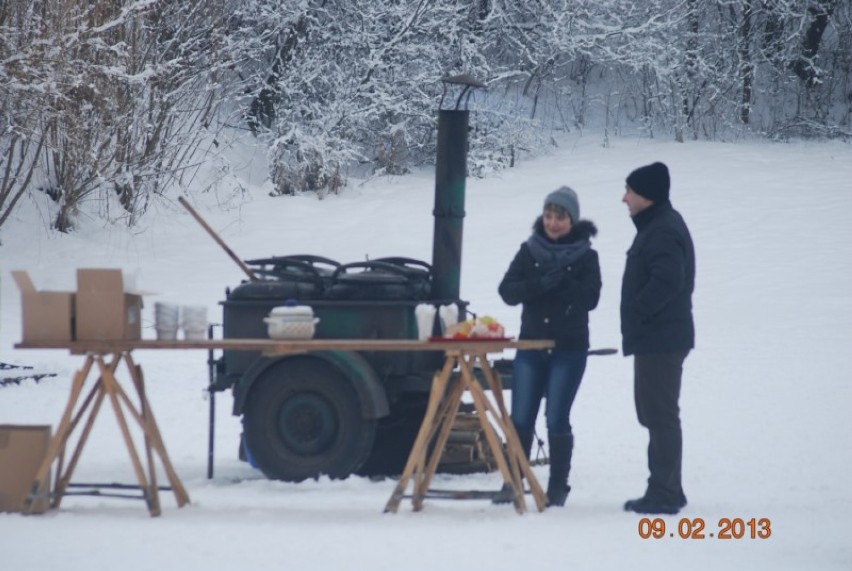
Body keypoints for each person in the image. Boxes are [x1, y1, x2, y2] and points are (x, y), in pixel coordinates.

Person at [495, 186, 602, 507]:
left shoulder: (586, 256)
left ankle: (557, 486)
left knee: (556, 416)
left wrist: (567, 284)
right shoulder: (529, 251)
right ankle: (513, 480)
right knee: (521, 417)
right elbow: (507, 290)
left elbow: (591, 298)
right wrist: (538, 285)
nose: (553, 223)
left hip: (568, 349)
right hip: (530, 347)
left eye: (560, 217)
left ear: (572, 220)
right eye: (548, 216)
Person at [620, 161, 695, 515]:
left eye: (630, 192)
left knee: (660, 414)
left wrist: (637, 310)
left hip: (661, 338)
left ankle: (664, 492)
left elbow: (668, 280)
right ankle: (668, 488)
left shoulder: (662, 229)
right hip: (657, 337)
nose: (624, 198)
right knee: (653, 413)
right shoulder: (657, 224)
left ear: (646, 196)